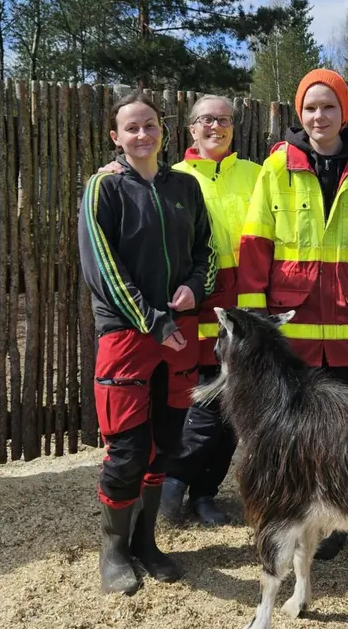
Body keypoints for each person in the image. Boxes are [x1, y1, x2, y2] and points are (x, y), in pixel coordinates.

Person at [237, 68, 348, 559]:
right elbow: (255, 249)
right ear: (299, 114)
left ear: (345, 112)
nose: (319, 116)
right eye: (310, 108)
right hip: (290, 332)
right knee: (290, 429)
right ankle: (292, 513)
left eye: (328, 106)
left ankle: (335, 522)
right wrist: (252, 326)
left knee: (343, 433)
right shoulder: (275, 169)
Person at [99, 95, 261, 527]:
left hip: (241, 303)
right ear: (190, 129)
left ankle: (206, 492)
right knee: (201, 401)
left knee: (234, 405)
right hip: (191, 308)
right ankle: (174, 481)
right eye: (206, 120)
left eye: (224, 120)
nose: (216, 127)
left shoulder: (258, 175)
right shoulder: (176, 176)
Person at [78, 91, 215, 595]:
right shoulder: (104, 188)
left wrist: (196, 287)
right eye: (131, 128)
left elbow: (208, 250)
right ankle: (112, 549)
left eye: (150, 126)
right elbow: (104, 271)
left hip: (177, 336)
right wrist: (153, 320)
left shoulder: (186, 187)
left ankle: (146, 542)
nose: (142, 135)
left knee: (166, 442)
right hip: (128, 335)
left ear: (164, 131)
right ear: (116, 137)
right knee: (127, 450)